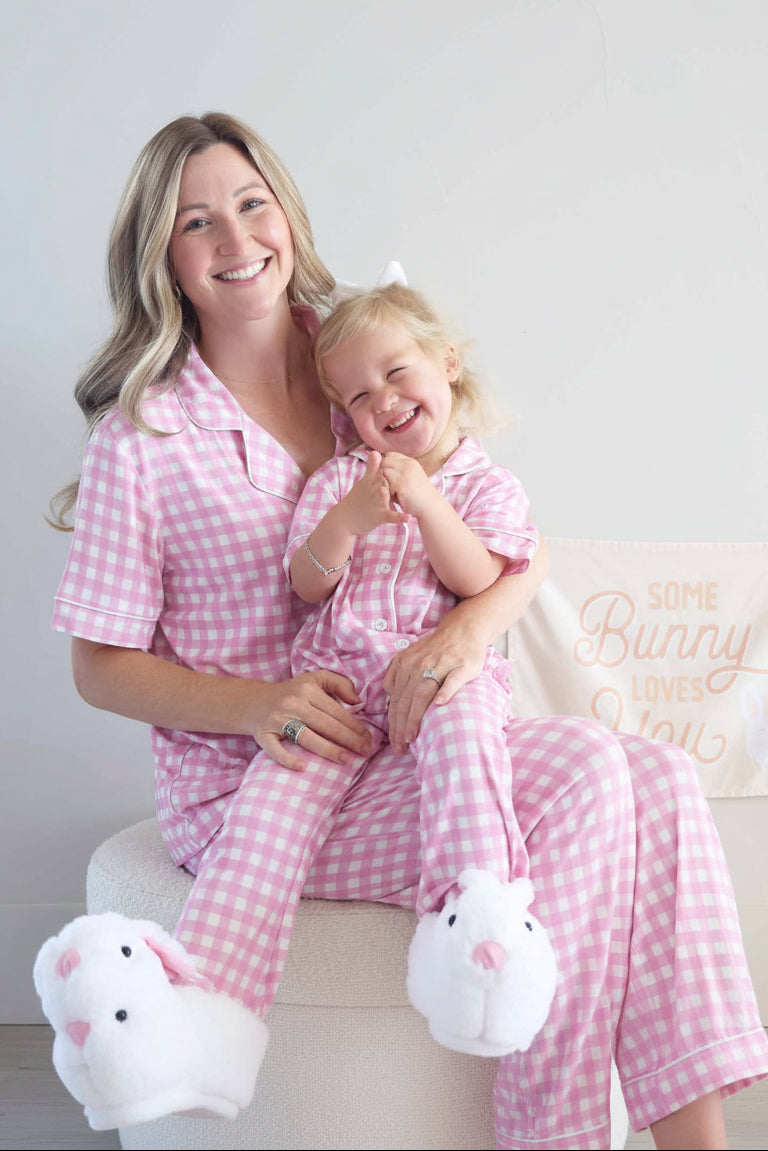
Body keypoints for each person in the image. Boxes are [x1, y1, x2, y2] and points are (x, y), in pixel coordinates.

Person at [39, 111, 767, 1148]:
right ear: (163, 253)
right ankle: (554, 1137)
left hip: (414, 723)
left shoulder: (356, 357)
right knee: (595, 777)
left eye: (253, 204)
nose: (239, 241)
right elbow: (97, 666)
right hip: (264, 777)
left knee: (659, 774)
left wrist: (470, 635)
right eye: (198, 223)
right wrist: (261, 706)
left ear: (287, 210)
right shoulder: (143, 435)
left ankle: (698, 1142)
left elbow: (515, 540)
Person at [285, 278, 558, 1055]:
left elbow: (480, 581)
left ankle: (473, 917)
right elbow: (305, 581)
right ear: (347, 418)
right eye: (362, 396)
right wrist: (350, 519)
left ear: (448, 362)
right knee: (291, 784)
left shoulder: (488, 485)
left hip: (442, 682)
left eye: (398, 373)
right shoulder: (342, 480)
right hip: (346, 688)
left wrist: (428, 502)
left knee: (465, 726)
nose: (386, 401)